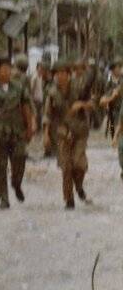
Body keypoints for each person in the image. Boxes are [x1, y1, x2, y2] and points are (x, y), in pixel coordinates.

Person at [0, 57, 35, 209]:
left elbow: (26, 108)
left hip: (17, 133)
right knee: (0, 167)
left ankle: (16, 184)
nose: (8, 72)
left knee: (20, 160)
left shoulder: (19, 87)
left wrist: (30, 128)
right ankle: (3, 198)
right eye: (4, 69)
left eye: (9, 68)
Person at [45, 60, 95, 209]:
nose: (61, 76)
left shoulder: (80, 87)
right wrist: (46, 135)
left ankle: (79, 186)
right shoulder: (52, 93)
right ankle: (69, 199)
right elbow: (47, 115)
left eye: (63, 73)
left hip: (79, 132)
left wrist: (82, 105)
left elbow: (92, 103)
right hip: (62, 132)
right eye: (58, 73)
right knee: (66, 167)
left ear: (69, 74)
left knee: (79, 164)